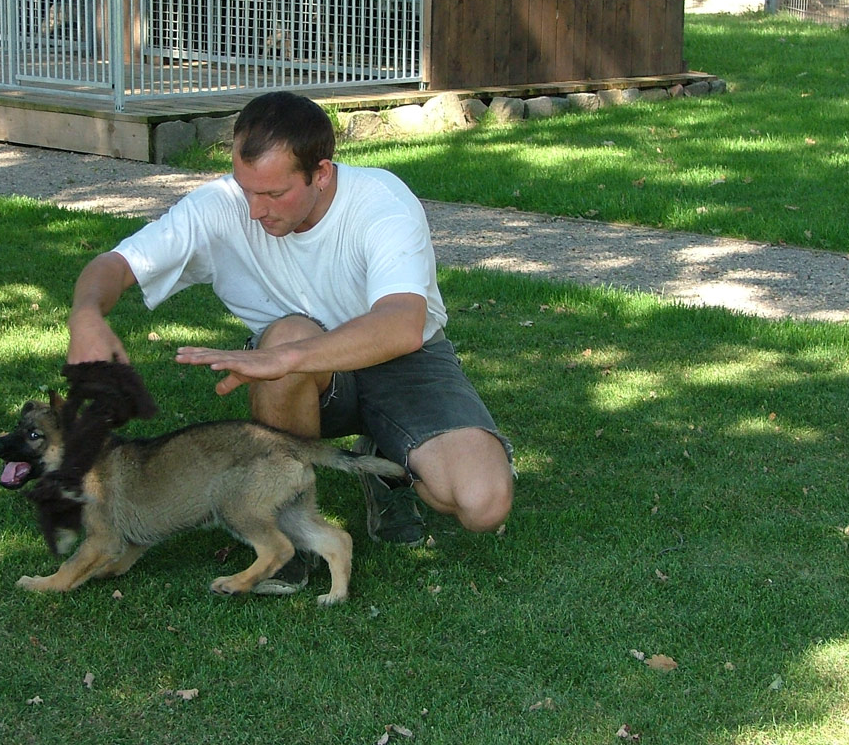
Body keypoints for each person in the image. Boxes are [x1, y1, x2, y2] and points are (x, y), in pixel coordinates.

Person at [66, 91, 514, 594]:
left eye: (274, 195)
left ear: (320, 173)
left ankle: (389, 467)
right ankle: (287, 550)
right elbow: (115, 266)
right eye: (246, 189)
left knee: (482, 502)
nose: (255, 210)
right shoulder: (221, 207)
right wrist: (85, 316)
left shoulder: (380, 201)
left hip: (405, 360)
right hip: (302, 376)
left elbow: (401, 323)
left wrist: (283, 356)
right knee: (287, 338)